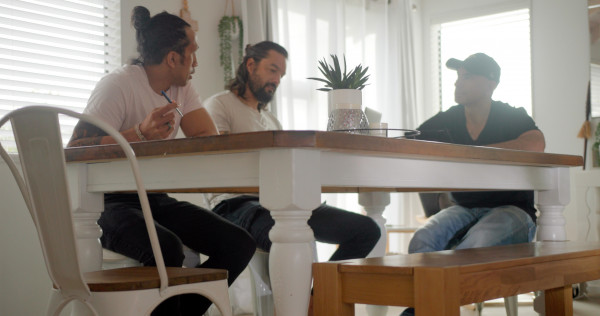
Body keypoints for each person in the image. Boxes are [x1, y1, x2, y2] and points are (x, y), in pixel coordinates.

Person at [67, 6, 256, 315]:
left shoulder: (181, 87)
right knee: (167, 248)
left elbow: (204, 136)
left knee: (239, 244)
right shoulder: (118, 85)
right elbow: (75, 148)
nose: (196, 62)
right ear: (172, 58)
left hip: (154, 199)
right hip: (106, 203)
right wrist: (138, 132)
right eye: (192, 52)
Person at [204, 41, 381, 263]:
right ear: (250, 65)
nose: (277, 80)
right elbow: (217, 162)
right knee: (290, 237)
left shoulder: (271, 120)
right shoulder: (219, 105)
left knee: (366, 230)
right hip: (236, 205)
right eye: (272, 70)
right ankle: (306, 295)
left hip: (281, 204)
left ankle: (319, 295)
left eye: (281, 75)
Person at [400, 53, 545, 316]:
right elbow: (411, 141)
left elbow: (535, 144)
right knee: (422, 240)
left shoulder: (510, 115)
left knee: (478, 242)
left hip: (513, 211)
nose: (458, 83)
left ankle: (418, 311)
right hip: (464, 207)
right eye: (458, 77)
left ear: (491, 83)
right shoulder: (449, 118)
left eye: (467, 77)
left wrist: (473, 153)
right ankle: (426, 309)